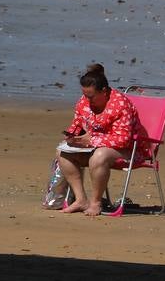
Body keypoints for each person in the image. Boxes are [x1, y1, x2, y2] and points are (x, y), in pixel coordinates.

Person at [57, 62, 144, 216]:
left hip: (130, 150)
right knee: (62, 152)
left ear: (104, 91)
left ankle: (96, 202)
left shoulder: (120, 104)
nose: (87, 100)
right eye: (84, 95)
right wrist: (72, 135)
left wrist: (92, 140)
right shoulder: (84, 101)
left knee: (99, 156)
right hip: (95, 147)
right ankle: (80, 199)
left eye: (90, 96)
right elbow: (78, 123)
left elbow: (123, 139)